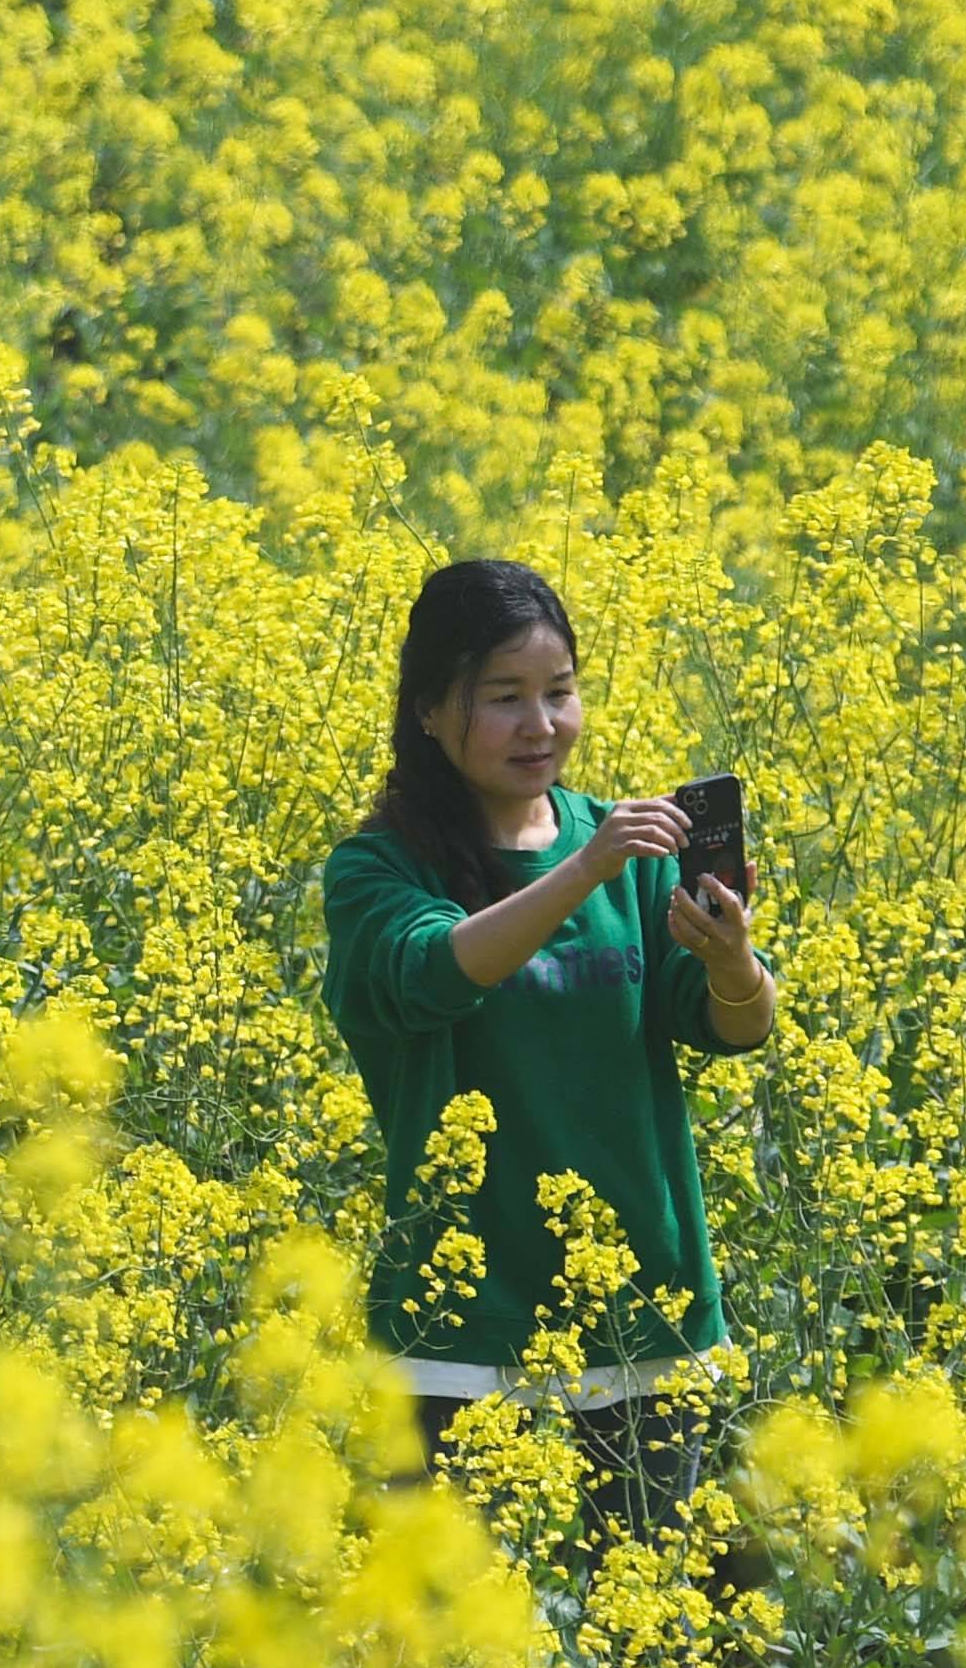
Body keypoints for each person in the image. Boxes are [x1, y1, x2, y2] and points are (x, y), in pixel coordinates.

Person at [319, 559, 776, 1517]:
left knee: (647, 1627)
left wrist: (734, 961)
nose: (541, 726)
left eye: (559, 694)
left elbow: (734, 1028)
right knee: (449, 1645)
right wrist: (587, 866)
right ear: (432, 711)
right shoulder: (376, 871)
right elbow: (436, 970)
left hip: (642, 1314)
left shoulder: (631, 850)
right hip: (462, 1322)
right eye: (505, 698)